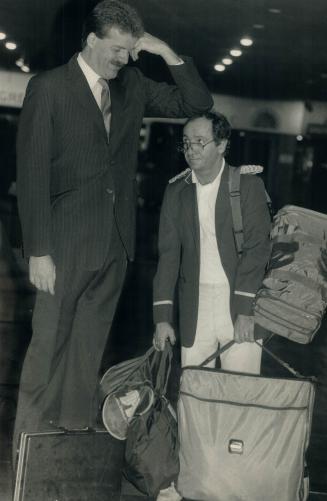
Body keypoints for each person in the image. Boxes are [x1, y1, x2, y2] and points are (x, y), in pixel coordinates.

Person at [13, 0, 213, 459]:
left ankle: (64, 454)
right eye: (118, 50)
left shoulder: (133, 86)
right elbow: (33, 174)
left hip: (114, 246)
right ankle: (25, 454)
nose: (124, 59)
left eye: (129, 51)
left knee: (86, 356)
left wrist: (164, 51)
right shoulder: (48, 88)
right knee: (46, 356)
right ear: (91, 41)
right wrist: (38, 251)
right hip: (61, 249)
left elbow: (197, 104)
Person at [152, 110, 271, 500]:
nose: (191, 150)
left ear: (222, 145)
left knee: (239, 395)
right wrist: (163, 317)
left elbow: (258, 249)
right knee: (194, 398)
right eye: (186, 142)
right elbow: (168, 256)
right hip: (195, 305)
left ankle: (234, 482)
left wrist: (246, 310)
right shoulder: (176, 191)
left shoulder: (246, 186)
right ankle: (190, 480)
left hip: (240, 304)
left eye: (200, 142)